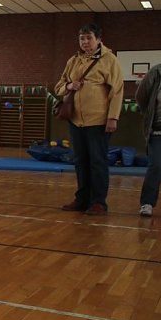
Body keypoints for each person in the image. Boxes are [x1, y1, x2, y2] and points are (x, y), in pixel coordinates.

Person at [54, 23, 124, 215]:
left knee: (98, 162)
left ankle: (99, 202)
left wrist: (113, 117)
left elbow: (117, 91)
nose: (85, 42)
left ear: (99, 39)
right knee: (80, 161)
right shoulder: (73, 61)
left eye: (89, 38)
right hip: (76, 120)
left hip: (99, 120)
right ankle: (82, 199)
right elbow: (59, 86)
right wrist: (69, 86)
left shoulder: (110, 60)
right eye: (82, 38)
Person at [135, 63, 161, 217]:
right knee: (156, 166)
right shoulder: (156, 72)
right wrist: (148, 114)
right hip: (157, 132)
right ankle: (147, 203)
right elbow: (141, 96)